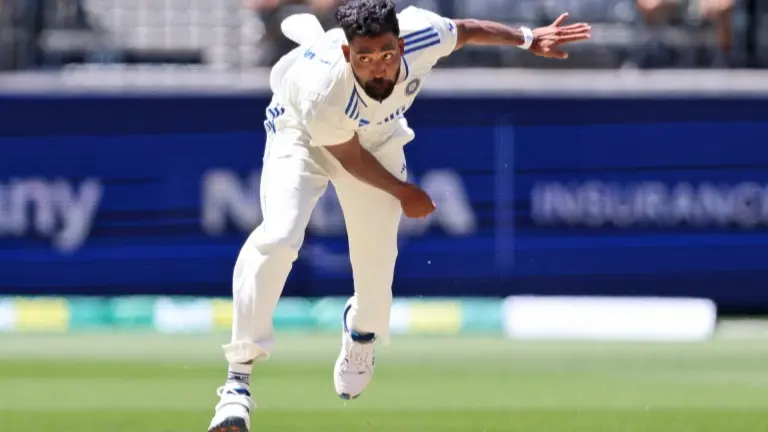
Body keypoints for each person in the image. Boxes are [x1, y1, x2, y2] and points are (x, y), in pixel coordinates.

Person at [208, 2, 591, 431]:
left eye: (388, 54)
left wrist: (526, 38)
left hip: (378, 139)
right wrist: (404, 191)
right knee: (279, 236)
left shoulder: (423, 34)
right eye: (365, 58)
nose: (379, 69)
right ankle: (238, 382)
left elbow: (464, 29)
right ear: (347, 54)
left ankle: (361, 335)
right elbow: (347, 156)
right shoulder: (323, 89)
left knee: (376, 275)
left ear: (402, 44)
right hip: (302, 132)